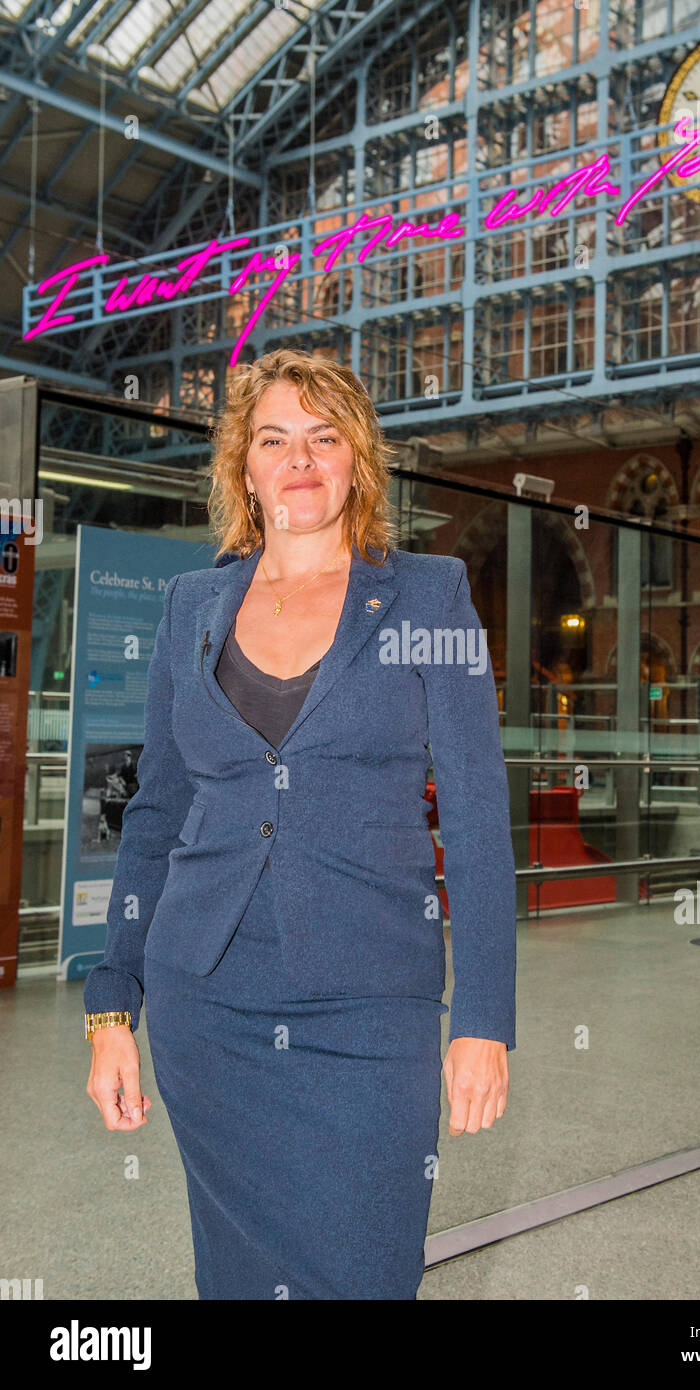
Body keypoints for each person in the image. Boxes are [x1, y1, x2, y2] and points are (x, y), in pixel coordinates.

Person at [83, 348, 517, 1300]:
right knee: (236, 1279)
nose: (301, 460)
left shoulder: (427, 594)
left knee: (364, 1270)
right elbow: (157, 809)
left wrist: (482, 1016)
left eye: (325, 437)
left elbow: (480, 811)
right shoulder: (192, 606)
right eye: (274, 439)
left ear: (358, 458)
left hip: (370, 1006)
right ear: (244, 467)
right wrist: (112, 1008)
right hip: (208, 1004)